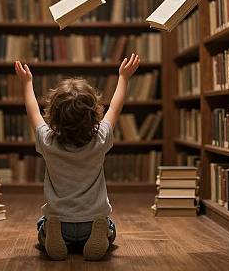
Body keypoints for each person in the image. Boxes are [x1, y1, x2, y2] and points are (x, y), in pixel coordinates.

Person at [14, 53, 141, 261]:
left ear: (53, 115)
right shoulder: (100, 138)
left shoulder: (48, 140)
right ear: (94, 113)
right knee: (111, 227)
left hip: (59, 221)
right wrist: (124, 78)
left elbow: (33, 113)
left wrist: (27, 83)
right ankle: (100, 234)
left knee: (41, 224)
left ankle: (52, 234)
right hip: (92, 221)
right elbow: (115, 108)